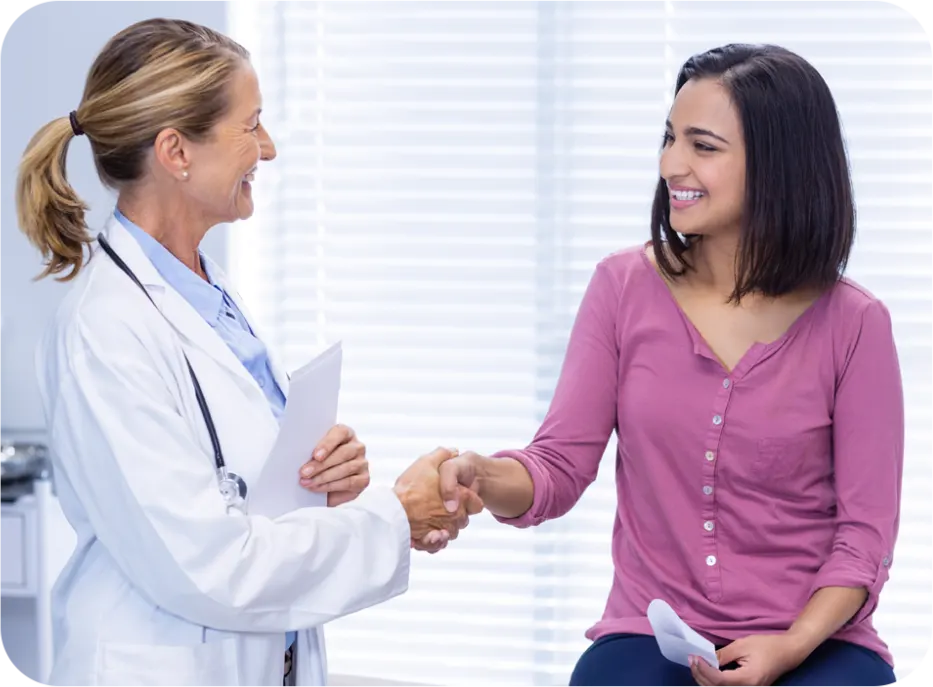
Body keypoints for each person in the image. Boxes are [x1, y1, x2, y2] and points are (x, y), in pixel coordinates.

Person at [15, 18, 480, 687]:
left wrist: (321, 486)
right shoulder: (103, 330)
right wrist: (391, 517)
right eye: (251, 123)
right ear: (176, 152)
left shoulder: (208, 291)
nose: (268, 147)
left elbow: (237, 494)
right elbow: (210, 563)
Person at [430, 44, 903, 686]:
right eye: (669, 138)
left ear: (779, 166)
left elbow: (863, 538)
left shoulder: (855, 325)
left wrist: (791, 646)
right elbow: (561, 464)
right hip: (651, 636)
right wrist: (481, 475)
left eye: (702, 146)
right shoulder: (623, 287)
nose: (670, 163)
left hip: (813, 641)